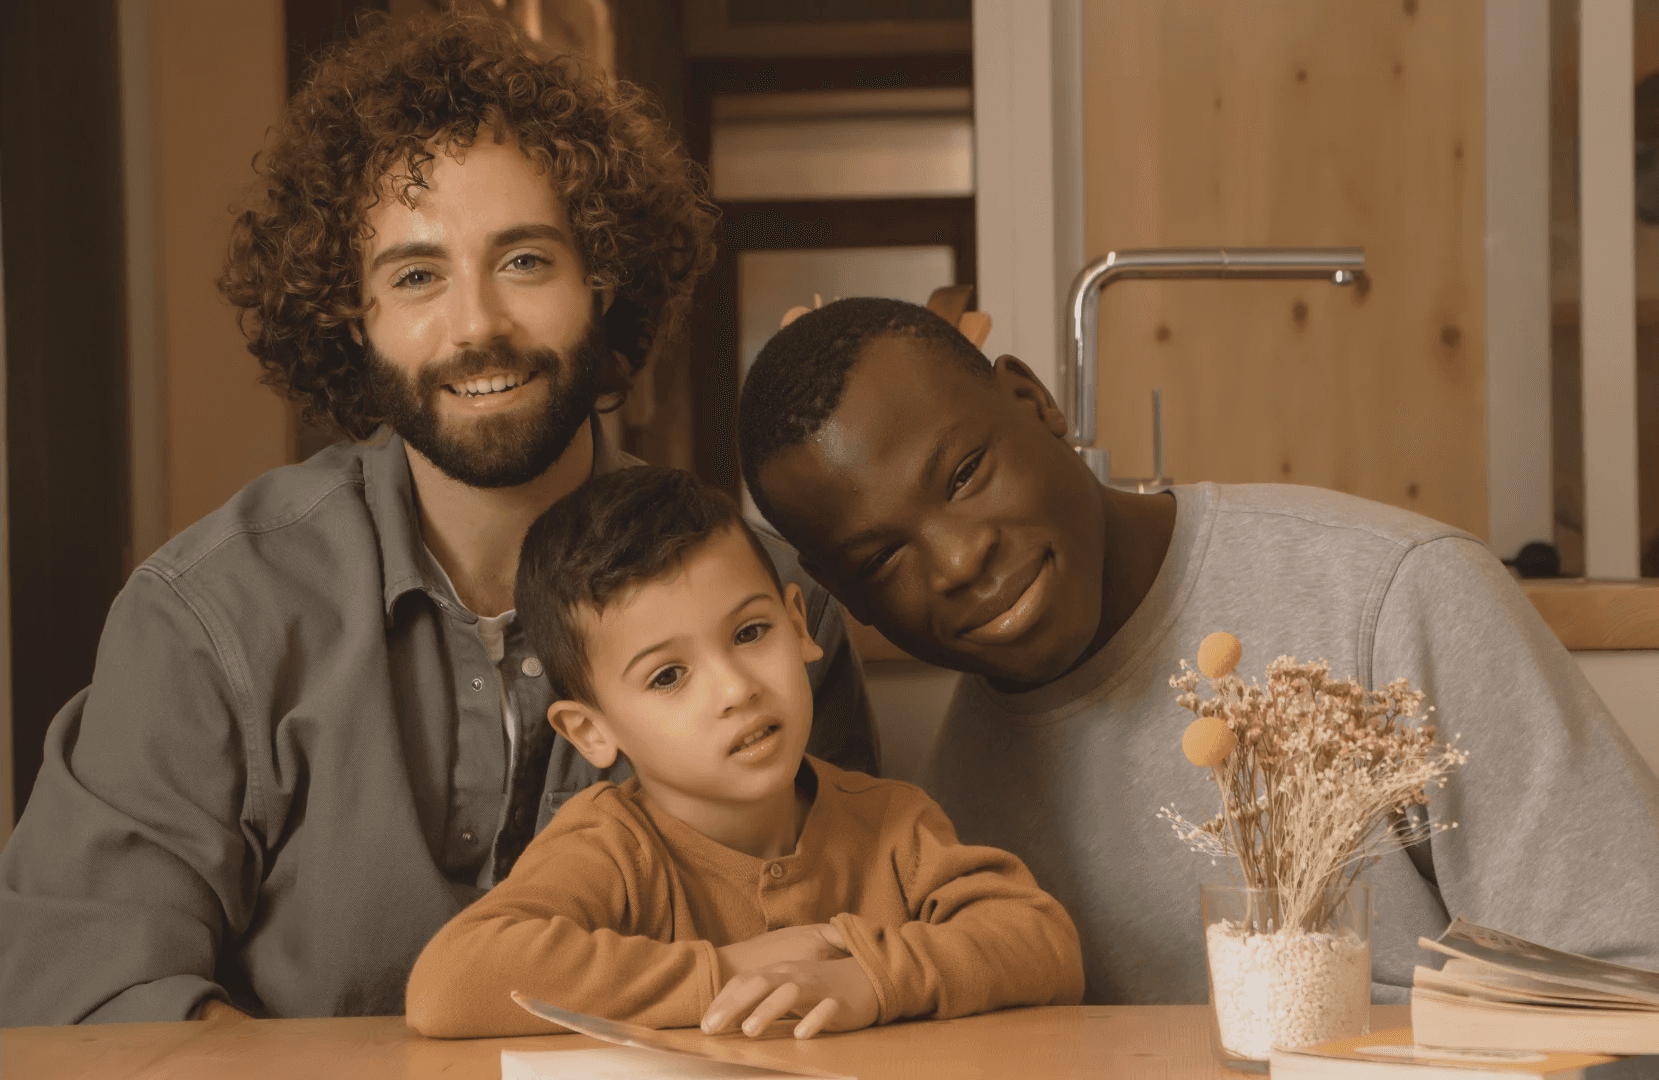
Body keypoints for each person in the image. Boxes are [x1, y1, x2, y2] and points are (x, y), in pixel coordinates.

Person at [0, 14, 876, 1027]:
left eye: (526, 261)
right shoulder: (210, 619)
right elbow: (82, 984)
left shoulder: (776, 611)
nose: (476, 327)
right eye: (415, 276)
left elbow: (859, 960)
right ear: (351, 316)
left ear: (605, 283)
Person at [735, 296, 1659, 1006]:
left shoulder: (1390, 598)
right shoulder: (948, 806)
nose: (957, 556)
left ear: (1035, 403)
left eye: (966, 474)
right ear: (844, 599)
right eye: (882, 557)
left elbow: (1632, 979)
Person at [403, 466, 1083, 1038]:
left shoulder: (892, 824)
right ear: (590, 731)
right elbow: (451, 982)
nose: (735, 689)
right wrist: (729, 972)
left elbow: (1041, 943)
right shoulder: (609, 846)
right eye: (668, 676)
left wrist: (870, 981)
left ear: (797, 625)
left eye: (751, 632)